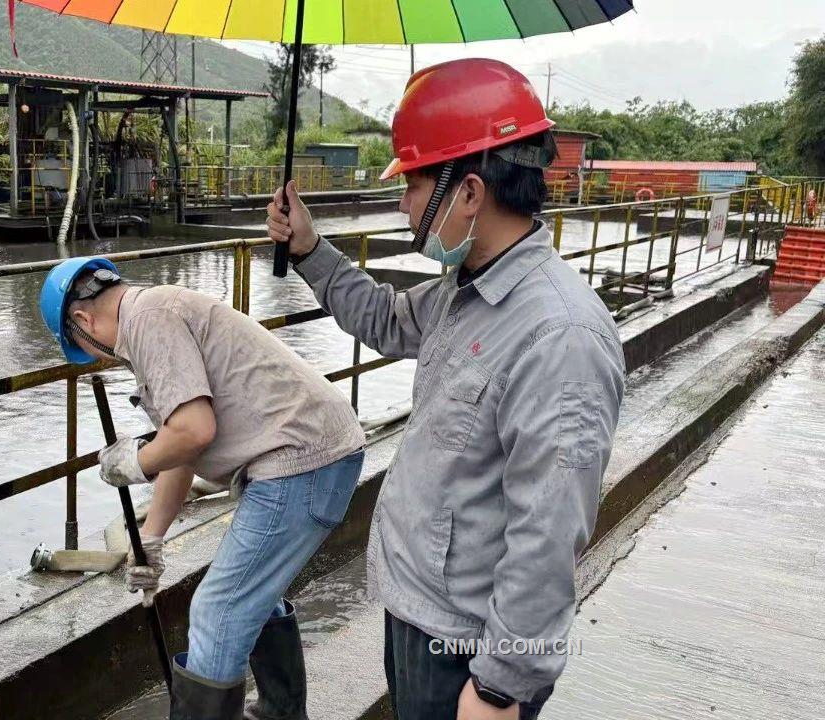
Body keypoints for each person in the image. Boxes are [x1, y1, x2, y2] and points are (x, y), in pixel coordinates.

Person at [266, 58, 625, 720]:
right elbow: (380, 316)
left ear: (468, 192)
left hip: (468, 652)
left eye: (411, 185)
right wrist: (312, 250)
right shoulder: (461, 296)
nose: (402, 205)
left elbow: (548, 532)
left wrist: (498, 687)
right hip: (419, 616)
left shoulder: (559, 335)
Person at [38, 258, 366, 719]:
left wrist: (132, 463)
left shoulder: (148, 321)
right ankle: (280, 714)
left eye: (83, 346)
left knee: (219, 610)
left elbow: (192, 432)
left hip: (301, 462)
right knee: (255, 595)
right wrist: (151, 538)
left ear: (82, 321)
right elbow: (183, 450)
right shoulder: (157, 312)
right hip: (317, 454)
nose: (97, 354)